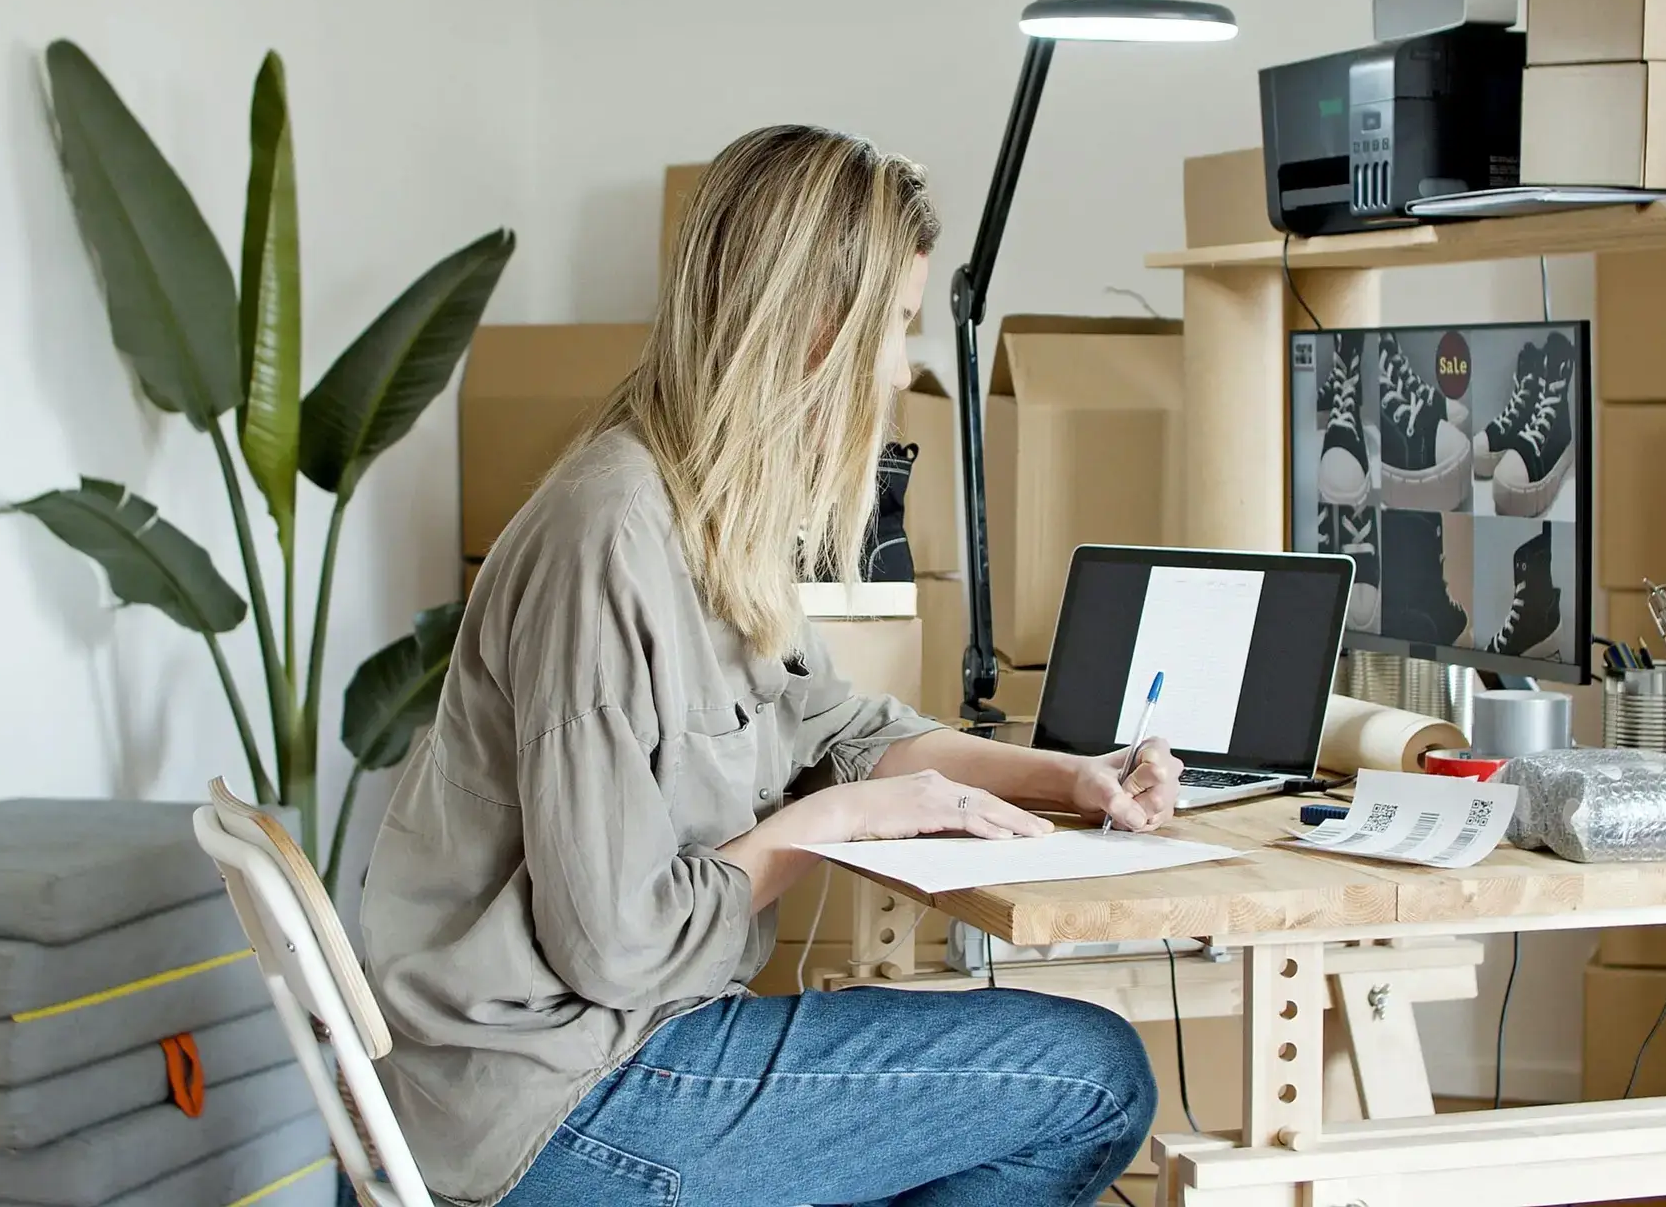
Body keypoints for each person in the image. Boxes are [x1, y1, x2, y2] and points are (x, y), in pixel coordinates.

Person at [362, 124, 1182, 1207]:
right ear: (813, 327)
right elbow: (617, 944)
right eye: (895, 326)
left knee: (1048, 1078)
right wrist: (827, 825)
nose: (901, 370)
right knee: (1089, 1077)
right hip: (553, 1106)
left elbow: (842, 727)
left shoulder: (711, 515)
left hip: (600, 1060)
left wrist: (1066, 772)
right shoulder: (607, 533)